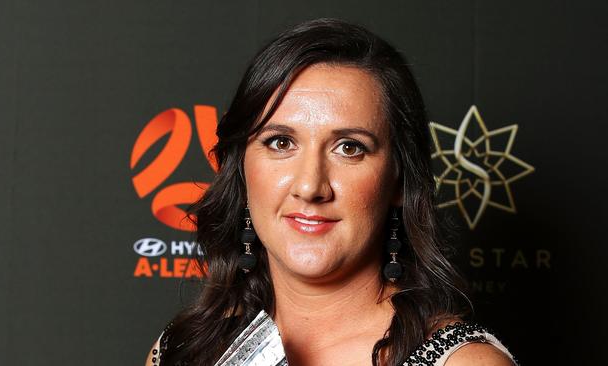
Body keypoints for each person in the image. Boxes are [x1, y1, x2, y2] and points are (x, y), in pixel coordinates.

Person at [145, 18, 518, 366]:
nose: (310, 186)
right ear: (241, 167)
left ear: (400, 181)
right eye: (280, 142)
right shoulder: (183, 350)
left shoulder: (462, 362)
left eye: (350, 148)